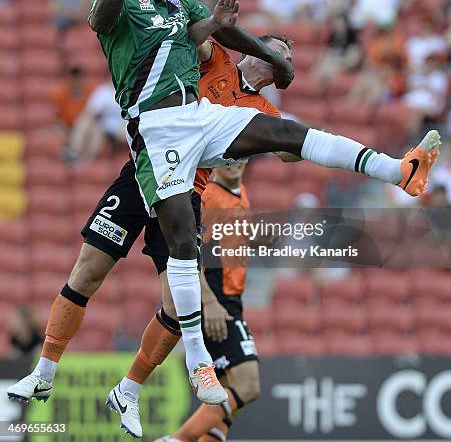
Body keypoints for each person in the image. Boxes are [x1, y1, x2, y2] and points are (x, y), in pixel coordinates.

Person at [8, 0, 440, 427]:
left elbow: (215, 35)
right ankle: (49, 369)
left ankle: (399, 170)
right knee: (97, 268)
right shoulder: (124, 3)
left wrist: (255, 45)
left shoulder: (183, 8)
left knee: (286, 137)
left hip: (197, 128)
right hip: (157, 139)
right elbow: (119, 23)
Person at [6, 34, 285, 437]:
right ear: (255, 50)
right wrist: (221, 27)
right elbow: (193, 35)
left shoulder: (264, 110)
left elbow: (289, 150)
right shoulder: (216, 61)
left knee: (176, 306)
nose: (281, 59)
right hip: (144, 173)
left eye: (287, 58)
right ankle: (44, 370)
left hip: (185, 193)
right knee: (86, 273)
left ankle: (129, 389)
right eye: (277, 50)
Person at [156, 162, 259, 442]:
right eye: (229, 157)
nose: (235, 163)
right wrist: (210, 301)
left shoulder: (241, 193)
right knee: (248, 384)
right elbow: (192, 253)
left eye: (241, 156)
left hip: (230, 299)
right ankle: (175, 440)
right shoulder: (210, 197)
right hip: (214, 299)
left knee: (225, 399)